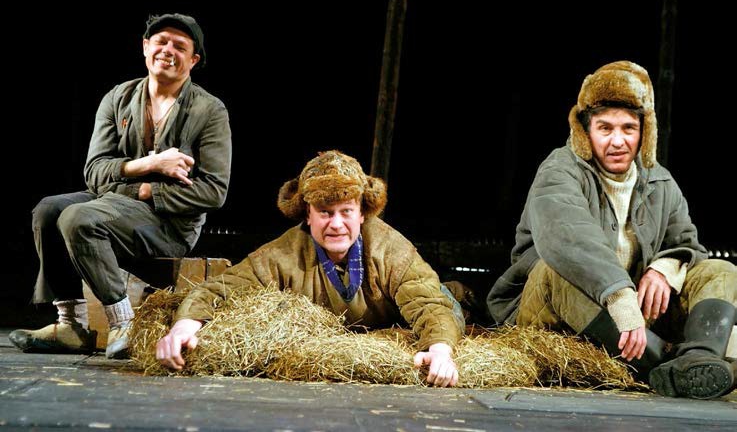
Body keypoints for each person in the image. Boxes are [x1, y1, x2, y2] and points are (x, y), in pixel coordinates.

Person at [486, 60, 737, 399]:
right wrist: (620, 296)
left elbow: (687, 244)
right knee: (554, 270)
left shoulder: (660, 181)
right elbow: (568, 239)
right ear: (585, 132)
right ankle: (664, 365)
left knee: (720, 270)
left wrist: (663, 270)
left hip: (629, 318)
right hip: (553, 309)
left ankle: (698, 359)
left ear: (644, 133)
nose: (618, 141)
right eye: (605, 128)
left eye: (628, 128)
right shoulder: (559, 170)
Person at [9, 13, 232, 359]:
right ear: (145, 47)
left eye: (179, 46)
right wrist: (150, 165)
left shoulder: (209, 110)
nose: (168, 50)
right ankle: (71, 325)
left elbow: (213, 192)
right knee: (49, 210)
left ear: (193, 60)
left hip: (168, 223)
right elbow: (95, 172)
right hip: (111, 201)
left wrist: (145, 191)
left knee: (78, 218)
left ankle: (123, 322)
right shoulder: (119, 98)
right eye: (160, 42)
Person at [156, 150, 464, 387]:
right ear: (307, 214)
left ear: (362, 213)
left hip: (408, 312)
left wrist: (439, 351)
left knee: (449, 303)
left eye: (346, 211)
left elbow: (428, 305)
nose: (337, 224)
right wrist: (184, 327)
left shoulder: (390, 248)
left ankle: (462, 291)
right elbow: (219, 289)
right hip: (350, 339)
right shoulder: (282, 254)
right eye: (325, 212)